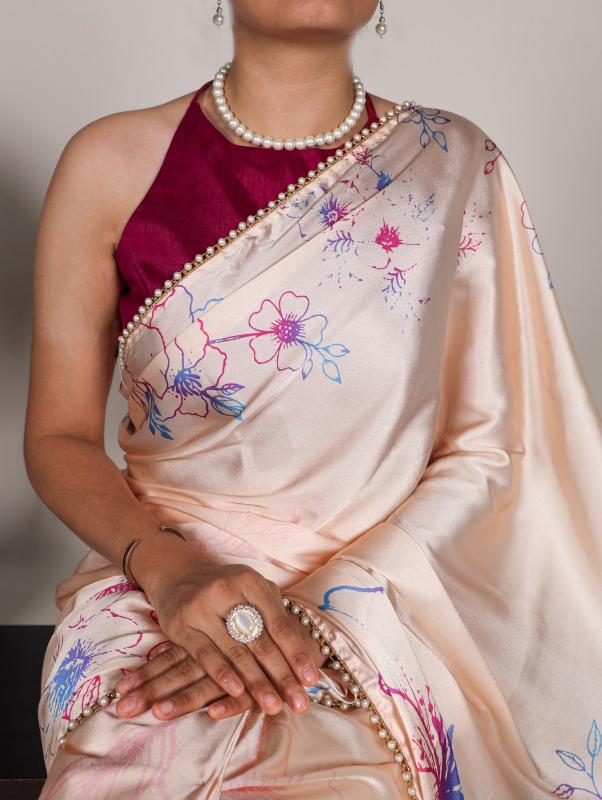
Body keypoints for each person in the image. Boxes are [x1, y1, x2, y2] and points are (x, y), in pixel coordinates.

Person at [25, 1, 602, 798]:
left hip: (386, 610)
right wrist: (175, 574)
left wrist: (329, 614)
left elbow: (496, 450)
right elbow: (58, 437)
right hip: (154, 594)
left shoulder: (452, 169)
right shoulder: (110, 164)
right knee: (140, 761)